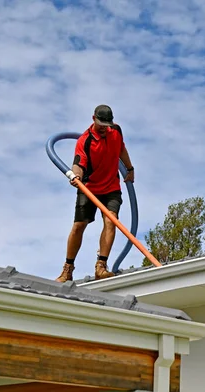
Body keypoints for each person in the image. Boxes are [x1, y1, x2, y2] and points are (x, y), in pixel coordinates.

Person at [55, 104, 135, 283]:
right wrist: (76, 176)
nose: (104, 128)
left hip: (111, 187)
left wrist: (129, 168)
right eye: (101, 124)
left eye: (107, 125)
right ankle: (67, 269)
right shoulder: (85, 141)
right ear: (93, 119)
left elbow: (121, 148)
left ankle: (101, 266)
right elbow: (79, 163)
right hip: (89, 188)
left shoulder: (116, 131)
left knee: (111, 219)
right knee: (79, 226)